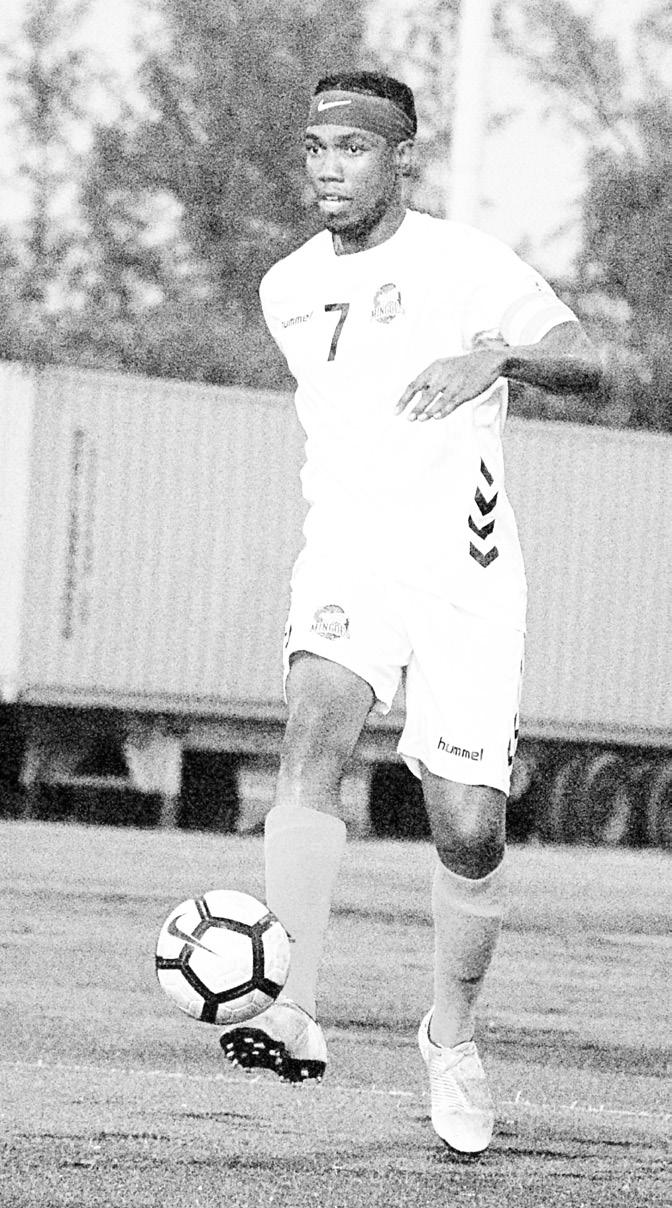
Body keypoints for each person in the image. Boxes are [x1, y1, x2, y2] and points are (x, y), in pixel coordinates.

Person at [219, 70, 602, 1153]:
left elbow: (592, 361)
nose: (327, 169)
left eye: (352, 148)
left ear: (401, 158)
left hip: (466, 579)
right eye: (315, 149)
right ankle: (290, 1001)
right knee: (312, 735)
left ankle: (452, 1035)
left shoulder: (467, 261)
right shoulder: (287, 287)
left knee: (470, 827)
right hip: (349, 555)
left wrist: (497, 356)